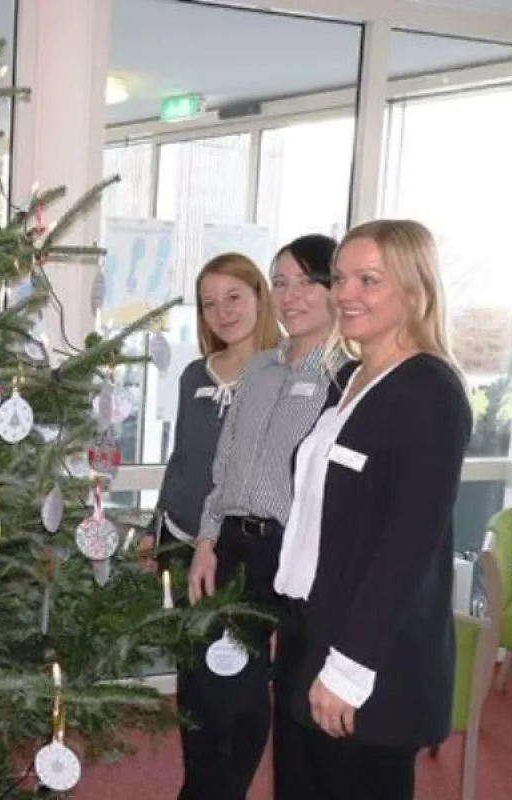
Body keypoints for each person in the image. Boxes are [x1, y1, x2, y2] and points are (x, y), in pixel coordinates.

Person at [272, 220, 471, 800]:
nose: (345, 294)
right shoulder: (354, 379)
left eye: (369, 280)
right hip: (316, 634)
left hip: (368, 662)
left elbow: (406, 550)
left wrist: (346, 669)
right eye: (340, 278)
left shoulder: (430, 392)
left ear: (415, 290)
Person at [183, 234, 354, 800]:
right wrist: (207, 539)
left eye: (308, 281)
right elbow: (224, 463)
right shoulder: (258, 368)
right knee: (213, 685)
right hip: (235, 545)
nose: (291, 295)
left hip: (301, 552)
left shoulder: (350, 379)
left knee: (287, 697)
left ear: (336, 289)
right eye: (281, 282)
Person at [140, 253, 279, 799]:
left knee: (240, 684)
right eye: (209, 302)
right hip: (182, 544)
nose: (222, 311)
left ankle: (223, 789)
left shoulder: (282, 376)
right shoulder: (196, 374)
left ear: (259, 297)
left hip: (242, 553)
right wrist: (155, 529)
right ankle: (198, 786)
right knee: (195, 680)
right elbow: (183, 458)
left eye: (234, 297)